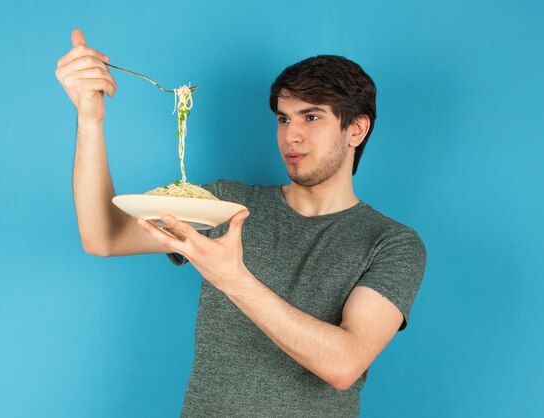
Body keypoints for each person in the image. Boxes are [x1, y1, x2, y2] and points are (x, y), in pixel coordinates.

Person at [56, 29, 426, 417]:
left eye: (311, 117)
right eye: (283, 119)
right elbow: (104, 236)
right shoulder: (225, 205)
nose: (290, 136)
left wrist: (233, 279)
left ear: (356, 129)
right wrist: (89, 118)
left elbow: (343, 364)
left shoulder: (392, 243)